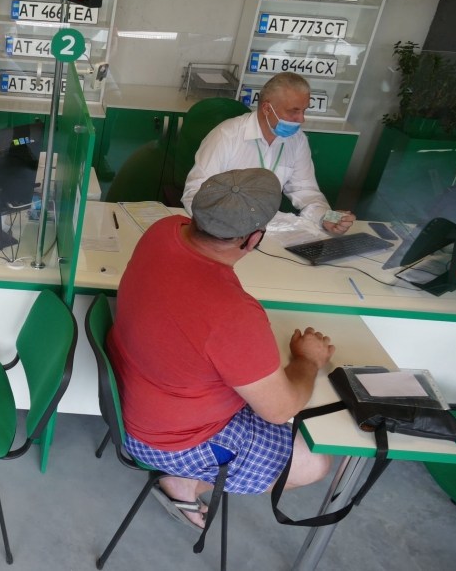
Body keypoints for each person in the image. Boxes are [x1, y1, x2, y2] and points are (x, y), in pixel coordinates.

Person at [108, 168, 335, 530]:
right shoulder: (233, 314)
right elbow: (280, 409)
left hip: (137, 399)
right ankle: (184, 482)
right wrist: (308, 360)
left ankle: (183, 481)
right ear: (253, 239)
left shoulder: (163, 230)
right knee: (315, 462)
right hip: (171, 439)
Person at [181, 73, 354, 235]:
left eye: (304, 110)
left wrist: (329, 218)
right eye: (293, 111)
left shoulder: (297, 140)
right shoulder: (227, 135)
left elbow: (306, 192)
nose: (301, 119)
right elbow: (195, 193)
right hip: (224, 229)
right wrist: (226, 231)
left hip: (270, 230)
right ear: (266, 108)